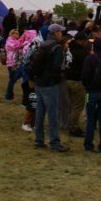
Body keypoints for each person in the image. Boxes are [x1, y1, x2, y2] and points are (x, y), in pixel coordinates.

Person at [32, 23, 69, 152]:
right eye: (61, 32)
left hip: (39, 82)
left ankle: (39, 139)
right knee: (53, 114)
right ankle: (54, 141)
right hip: (50, 84)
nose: (62, 34)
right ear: (56, 33)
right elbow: (56, 68)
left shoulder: (43, 44)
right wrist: (56, 80)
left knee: (40, 113)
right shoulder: (56, 48)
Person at [82, 36, 101, 153]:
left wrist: (87, 86)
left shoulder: (90, 58)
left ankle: (89, 144)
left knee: (90, 119)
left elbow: (85, 75)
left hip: (92, 91)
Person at [65, 30, 88, 136]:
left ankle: (68, 123)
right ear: (82, 41)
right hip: (76, 81)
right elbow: (85, 67)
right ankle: (73, 127)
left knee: (70, 105)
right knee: (78, 106)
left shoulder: (68, 48)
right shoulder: (81, 52)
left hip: (66, 79)